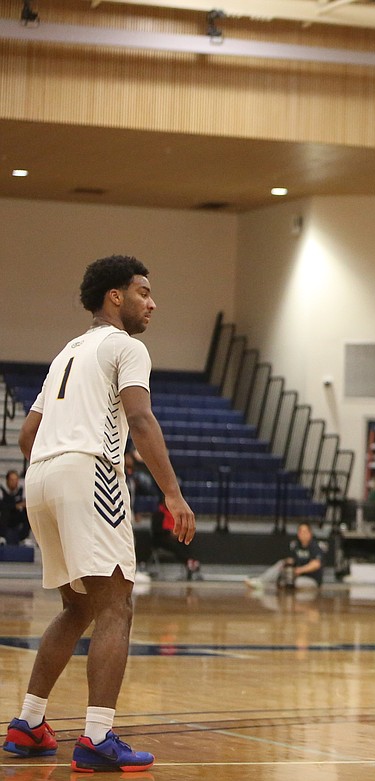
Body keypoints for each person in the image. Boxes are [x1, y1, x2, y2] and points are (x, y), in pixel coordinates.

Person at [3, 255, 195, 772]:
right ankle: (96, 738)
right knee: (117, 606)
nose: (152, 303)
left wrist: (58, 469)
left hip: (42, 474)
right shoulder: (126, 346)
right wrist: (173, 494)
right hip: (87, 471)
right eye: (143, 292)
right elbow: (140, 416)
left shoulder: (67, 352)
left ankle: (28, 723)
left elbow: (25, 437)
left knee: (78, 608)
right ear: (116, 296)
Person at [245, 522, 324, 591]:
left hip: (312, 579)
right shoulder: (296, 545)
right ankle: (261, 581)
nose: (302, 534)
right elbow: (293, 560)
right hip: (297, 576)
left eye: (305, 531)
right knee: (281, 564)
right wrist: (286, 563)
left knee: (294, 583)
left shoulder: (315, 546)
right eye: (300, 531)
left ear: (310, 533)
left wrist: (299, 570)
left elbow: (316, 564)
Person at [0, 470, 30, 546]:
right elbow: (3, 505)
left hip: (17, 518)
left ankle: (24, 537)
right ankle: (2, 536)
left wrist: (20, 506)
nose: (15, 482)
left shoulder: (21, 490)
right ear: (7, 480)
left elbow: (25, 503)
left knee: (27, 511)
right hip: (5, 518)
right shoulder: (2, 490)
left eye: (16, 480)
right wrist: (16, 506)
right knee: (5, 511)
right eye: (12, 480)